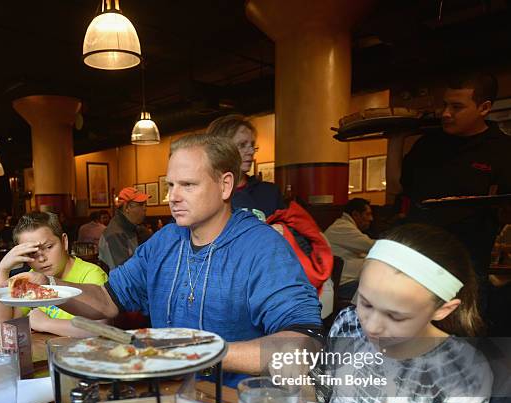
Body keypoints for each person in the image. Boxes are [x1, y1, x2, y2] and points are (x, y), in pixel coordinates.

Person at [24, 133, 323, 387]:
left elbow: (303, 344)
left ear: (225, 185)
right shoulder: (165, 240)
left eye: (188, 185)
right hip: (166, 392)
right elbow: (105, 299)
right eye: (170, 185)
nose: (173, 197)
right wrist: (48, 287)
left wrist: (197, 352)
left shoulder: (261, 246)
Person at [315, 223, 492, 403]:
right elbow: (321, 392)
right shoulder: (348, 324)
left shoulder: (465, 369)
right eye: (366, 303)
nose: (373, 326)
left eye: (396, 317)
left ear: (442, 310)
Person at [392, 73, 511, 278]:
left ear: (484, 108)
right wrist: (395, 140)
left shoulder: (502, 149)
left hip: (467, 263)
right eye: (445, 105)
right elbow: (398, 186)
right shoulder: (428, 144)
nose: (446, 113)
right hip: (416, 254)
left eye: (457, 107)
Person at [0, 212, 108, 337]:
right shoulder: (31, 278)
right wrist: (3, 269)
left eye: (49, 247)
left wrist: (47, 323)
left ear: (64, 241)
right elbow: (1, 327)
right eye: (31, 253)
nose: (41, 259)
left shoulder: (91, 274)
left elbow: (103, 327)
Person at [207, 114, 285, 220]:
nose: (251, 151)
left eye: (252, 145)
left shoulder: (270, 192)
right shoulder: (204, 192)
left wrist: (281, 228)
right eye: (242, 145)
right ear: (220, 149)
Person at [324, 198, 375, 300]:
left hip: (346, 282)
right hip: (343, 285)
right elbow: (371, 246)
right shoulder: (342, 227)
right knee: (383, 294)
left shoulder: (344, 226)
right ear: (356, 214)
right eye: (367, 214)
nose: (371, 219)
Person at [98, 187, 149, 270]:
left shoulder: (135, 228)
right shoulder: (114, 234)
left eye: (145, 204)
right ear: (127, 208)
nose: (145, 208)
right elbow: (124, 275)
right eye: (140, 205)